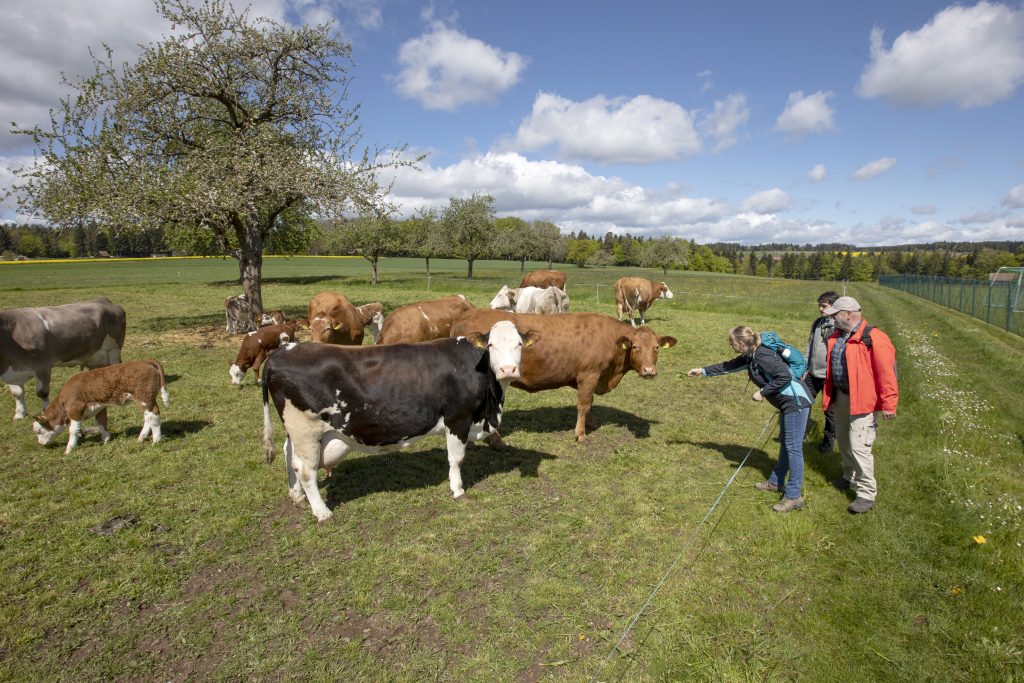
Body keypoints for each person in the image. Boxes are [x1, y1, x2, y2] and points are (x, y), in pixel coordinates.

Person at [688, 326, 813, 513]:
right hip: (787, 404)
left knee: (793, 447)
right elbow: (728, 366)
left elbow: (785, 376)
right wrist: (703, 371)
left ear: (740, 343)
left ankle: (794, 496)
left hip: (796, 403)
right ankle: (776, 482)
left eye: (732, 343)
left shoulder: (762, 356)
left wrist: (763, 392)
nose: (731, 346)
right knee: (787, 444)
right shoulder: (750, 355)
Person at [821, 296, 899, 514]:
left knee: (859, 446)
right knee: (844, 441)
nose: (833, 319)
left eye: (836, 315)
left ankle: (866, 493)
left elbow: (887, 373)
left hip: (863, 400)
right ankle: (849, 476)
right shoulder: (837, 336)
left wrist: (889, 403)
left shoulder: (874, 338)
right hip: (841, 396)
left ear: (849, 314)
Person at [804, 291, 839, 452]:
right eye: (819, 305)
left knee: (830, 411)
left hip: (829, 377)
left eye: (824, 306)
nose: (820, 309)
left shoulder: (838, 327)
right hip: (811, 374)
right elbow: (809, 344)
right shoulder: (818, 323)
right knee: (803, 402)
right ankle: (800, 434)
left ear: (835, 306)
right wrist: (805, 367)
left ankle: (828, 444)